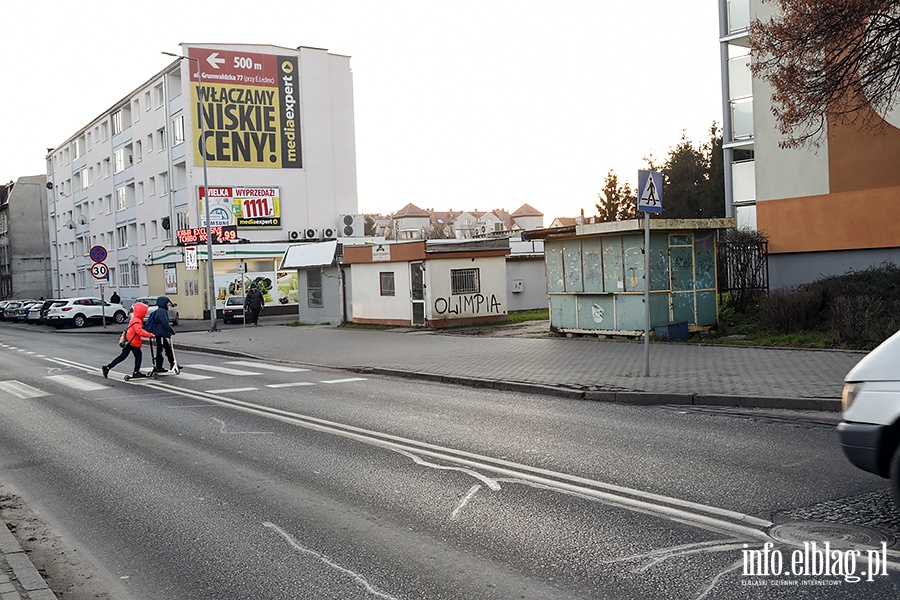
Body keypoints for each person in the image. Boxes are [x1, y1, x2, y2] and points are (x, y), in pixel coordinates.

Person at [102, 302, 154, 378]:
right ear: (141, 312)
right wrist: (150, 335)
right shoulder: (137, 320)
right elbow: (139, 331)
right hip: (133, 342)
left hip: (129, 340)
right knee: (138, 356)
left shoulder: (135, 318)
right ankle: (136, 372)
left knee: (123, 356)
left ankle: (108, 367)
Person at [145, 296, 176, 373]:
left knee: (166, 348)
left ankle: (172, 363)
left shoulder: (160, 310)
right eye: (167, 304)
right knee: (161, 350)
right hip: (160, 334)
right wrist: (172, 331)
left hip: (160, 333)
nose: (168, 305)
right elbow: (165, 323)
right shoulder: (161, 311)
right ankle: (160, 366)